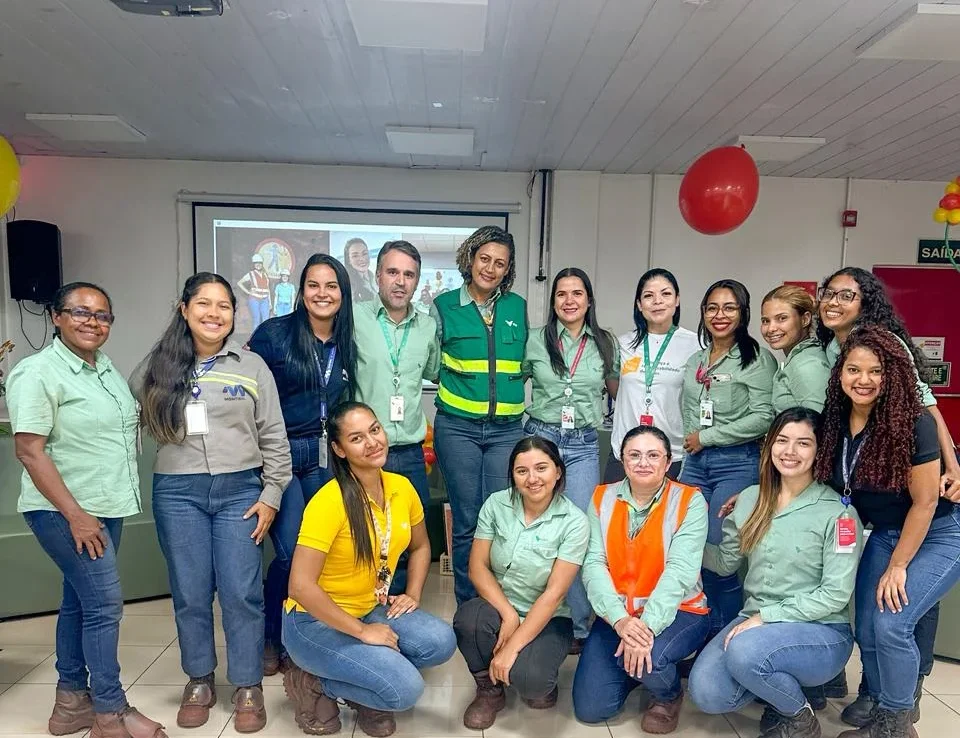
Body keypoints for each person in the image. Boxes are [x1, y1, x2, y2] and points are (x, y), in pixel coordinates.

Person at [132, 273, 292, 733]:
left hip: (240, 492)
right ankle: (199, 679)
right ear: (184, 309)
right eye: (204, 303)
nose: (214, 314)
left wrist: (272, 494)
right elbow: (131, 423)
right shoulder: (156, 367)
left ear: (234, 315)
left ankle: (246, 684)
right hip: (178, 492)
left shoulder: (252, 366)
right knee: (190, 591)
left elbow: (273, 437)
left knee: (242, 591)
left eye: (224, 306)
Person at [8, 282, 167, 738]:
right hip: (66, 512)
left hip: (106, 506)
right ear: (56, 317)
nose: (92, 322)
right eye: (80, 312)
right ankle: (109, 714)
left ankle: (70, 702)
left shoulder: (104, 370)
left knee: (78, 602)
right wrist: (76, 515)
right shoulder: (37, 373)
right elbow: (30, 452)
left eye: (102, 315)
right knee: (104, 606)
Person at [817, 266, 956, 709]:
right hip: (885, 525)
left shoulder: (888, 359)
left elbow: (926, 405)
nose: (864, 378)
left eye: (847, 295)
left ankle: (900, 705)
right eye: (830, 294)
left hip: (933, 523)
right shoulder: (838, 410)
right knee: (869, 620)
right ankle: (878, 694)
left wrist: (954, 463)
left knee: (896, 617)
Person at [281, 402, 457, 738]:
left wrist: (414, 593)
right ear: (339, 449)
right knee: (405, 690)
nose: (372, 442)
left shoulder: (401, 487)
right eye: (357, 438)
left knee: (441, 641)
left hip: (370, 606)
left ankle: (364, 675)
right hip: (314, 621)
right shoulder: (328, 501)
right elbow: (300, 587)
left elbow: (421, 547)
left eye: (375, 430)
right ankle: (316, 682)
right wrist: (363, 634)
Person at [689, 407, 860, 738]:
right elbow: (726, 562)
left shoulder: (838, 513)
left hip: (820, 631)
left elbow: (835, 594)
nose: (790, 452)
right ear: (769, 446)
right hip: (755, 621)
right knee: (708, 693)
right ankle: (776, 687)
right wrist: (679, 543)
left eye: (803, 443)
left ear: (820, 449)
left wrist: (767, 616)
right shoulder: (751, 498)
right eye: (782, 441)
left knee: (745, 652)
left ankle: (798, 716)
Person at [247, 253, 357, 675]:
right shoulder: (274, 335)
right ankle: (274, 637)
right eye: (314, 285)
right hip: (280, 456)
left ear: (343, 295)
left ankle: (310, 633)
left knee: (326, 554)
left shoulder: (344, 341)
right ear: (301, 290)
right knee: (293, 554)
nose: (322, 294)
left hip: (326, 457)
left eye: (332, 286)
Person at [573, 425, 709, 734]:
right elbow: (593, 565)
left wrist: (645, 628)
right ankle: (633, 668)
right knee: (591, 709)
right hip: (618, 615)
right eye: (634, 455)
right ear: (622, 460)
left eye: (652, 455)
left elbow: (680, 572)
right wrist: (621, 622)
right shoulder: (601, 498)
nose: (643, 462)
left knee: (654, 657)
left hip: (680, 611)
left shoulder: (690, 501)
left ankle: (668, 694)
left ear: (667, 461)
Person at [453, 437, 589, 730]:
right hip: (500, 607)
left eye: (541, 468)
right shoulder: (496, 504)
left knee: (533, 682)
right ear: (512, 475)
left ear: (558, 471)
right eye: (521, 471)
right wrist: (509, 614)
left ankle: (530, 670)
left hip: (549, 616)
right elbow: (477, 567)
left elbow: (554, 594)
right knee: (468, 620)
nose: (532, 479)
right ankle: (489, 691)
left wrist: (512, 648)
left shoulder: (575, 522)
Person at [430, 225, 528, 605]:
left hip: (506, 431)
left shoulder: (516, 307)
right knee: (468, 521)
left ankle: (497, 604)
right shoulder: (443, 306)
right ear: (470, 259)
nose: (490, 268)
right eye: (484, 259)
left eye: (500, 263)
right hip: (458, 428)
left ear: (508, 269)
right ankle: (469, 609)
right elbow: (429, 360)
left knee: (500, 520)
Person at [521, 267, 618, 649]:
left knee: (579, 533)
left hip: (581, 445)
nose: (569, 301)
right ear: (553, 301)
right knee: (539, 530)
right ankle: (536, 615)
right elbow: (513, 384)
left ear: (589, 300)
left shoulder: (606, 343)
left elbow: (619, 393)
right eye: (561, 294)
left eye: (577, 293)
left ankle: (578, 625)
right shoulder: (535, 340)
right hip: (541, 440)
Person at [679, 279, 777, 636]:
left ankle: (726, 636)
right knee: (689, 547)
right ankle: (700, 632)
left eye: (729, 308)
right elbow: (690, 409)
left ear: (743, 313)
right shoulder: (696, 360)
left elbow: (765, 417)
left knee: (722, 557)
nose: (719, 315)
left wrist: (707, 436)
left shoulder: (756, 359)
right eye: (712, 308)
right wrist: (696, 442)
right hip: (696, 465)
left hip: (737, 463)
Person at [353, 240, 440, 593]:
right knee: (361, 540)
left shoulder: (427, 327)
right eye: (392, 272)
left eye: (409, 274)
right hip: (363, 454)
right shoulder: (355, 318)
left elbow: (434, 370)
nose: (400, 281)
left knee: (406, 540)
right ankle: (364, 614)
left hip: (408, 452)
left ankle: (400, 614)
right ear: (377, 276)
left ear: (417, 281)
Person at [605, 269, 700, 484]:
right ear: (639, 304)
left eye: (665, 294)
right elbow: (614, 386)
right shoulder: (622, 344)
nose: (657, 301)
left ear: (677, 300)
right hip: (625, 451)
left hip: (672, 454)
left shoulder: (696, 345)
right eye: (648, 296)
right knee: (613, 515)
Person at [761, 284, 831, 414]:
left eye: (782, 318)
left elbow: (818, 425)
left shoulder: (808, 365)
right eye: (765, 321)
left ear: (805, 319)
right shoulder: (798, 357)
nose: (771, 328)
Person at [237, 254, 272, 330]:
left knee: (266, 320)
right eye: (256, 263)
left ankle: (265, 338)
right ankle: (255, 339)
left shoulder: (265, 275)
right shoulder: (251, 274)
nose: (258, 265)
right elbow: (239, 283)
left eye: (259, 263)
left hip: (265, 299)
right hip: (254, 299)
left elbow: (267, 289)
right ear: (254, 264)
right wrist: (248, 292)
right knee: (257, 319)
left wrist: (270, 302)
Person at [343, 238, 378, 303]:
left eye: (364, 253)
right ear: (349, 260)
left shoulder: (376, 278)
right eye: (355, 256)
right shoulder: (347, 285)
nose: (361, 259)